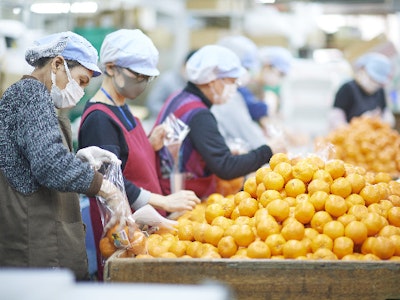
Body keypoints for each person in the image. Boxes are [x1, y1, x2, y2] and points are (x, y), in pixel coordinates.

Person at [0, 31, 128, 281]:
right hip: (38, 247)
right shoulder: (30, 95)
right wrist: (107, 189)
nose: (80, 91)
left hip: (45, 242)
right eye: (80, 81)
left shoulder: (37, 99)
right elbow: (49, 165)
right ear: (57, 64)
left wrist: (76, 160)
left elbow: (31, 163)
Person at [78, 29, 200, 279]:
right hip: (124, 232)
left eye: (148, 77)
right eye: (138, 75)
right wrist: (163, 201)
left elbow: (127, 158)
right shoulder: (99, 119)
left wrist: (150, 145)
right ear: (111, 68)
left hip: (146, 225)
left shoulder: (123, 108)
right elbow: (109, 183)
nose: (143, 83)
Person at [154, 45, 286, 199]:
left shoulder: (180, 97)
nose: (234, 89)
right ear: (212, 80)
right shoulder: (200, 115)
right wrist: (268, 150)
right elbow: (226, 167)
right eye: (231, 82)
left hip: (166, 187)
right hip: (180, 199)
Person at [211, 35, 267, 151]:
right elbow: (253, 139)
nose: (248, 74)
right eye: (245, 68)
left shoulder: (230, 94)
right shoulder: (227, 98)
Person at [329, 52, 395, 130]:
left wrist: (385, 121)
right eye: (372, 79)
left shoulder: (380, 91)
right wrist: (356, 126)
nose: (374, 84)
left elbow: (385, 112)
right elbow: (336, 119)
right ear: (362, 69)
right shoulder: (347, 89)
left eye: (378, 82)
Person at [146, 49, 197, 121]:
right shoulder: (168, 80)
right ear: (184, 65)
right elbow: (153, 103)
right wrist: (173, 114)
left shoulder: (193, 83)